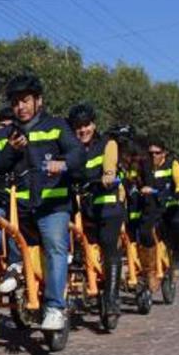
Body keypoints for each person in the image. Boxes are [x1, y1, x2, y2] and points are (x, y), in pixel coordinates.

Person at [0, 74, 84, 332]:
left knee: (55, 247)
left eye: (26, 101)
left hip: (53, 206)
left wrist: (62, 164)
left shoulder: (56, 125)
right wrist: (11, 150)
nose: (21, 107)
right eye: (16, 102)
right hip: (20, 207)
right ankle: (16, 267)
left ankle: (55, 307)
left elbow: (77, 153)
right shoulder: (8, 133)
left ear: (38, 101)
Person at [68, 104, 123, 319]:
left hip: (108, 205)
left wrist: (108, 175)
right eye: (78, 127)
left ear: (94, 125)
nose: (83, 130)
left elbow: (110, 164)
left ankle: (111, 300)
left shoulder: (107, 144)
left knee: (109, 246)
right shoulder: (72, 148)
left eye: (86, 125)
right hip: (83, 209)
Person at [138, 137, 179, 290]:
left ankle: (177, 256)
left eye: (157, 153)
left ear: (164, 153)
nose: (153, 156)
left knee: (178, 225)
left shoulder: (172, 165)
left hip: (171, 206)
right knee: (145, 233)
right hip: (152, 207)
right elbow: (138, 182)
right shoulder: (145, 167)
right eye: (150, 153)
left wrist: (178, 194)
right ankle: (150, 270)